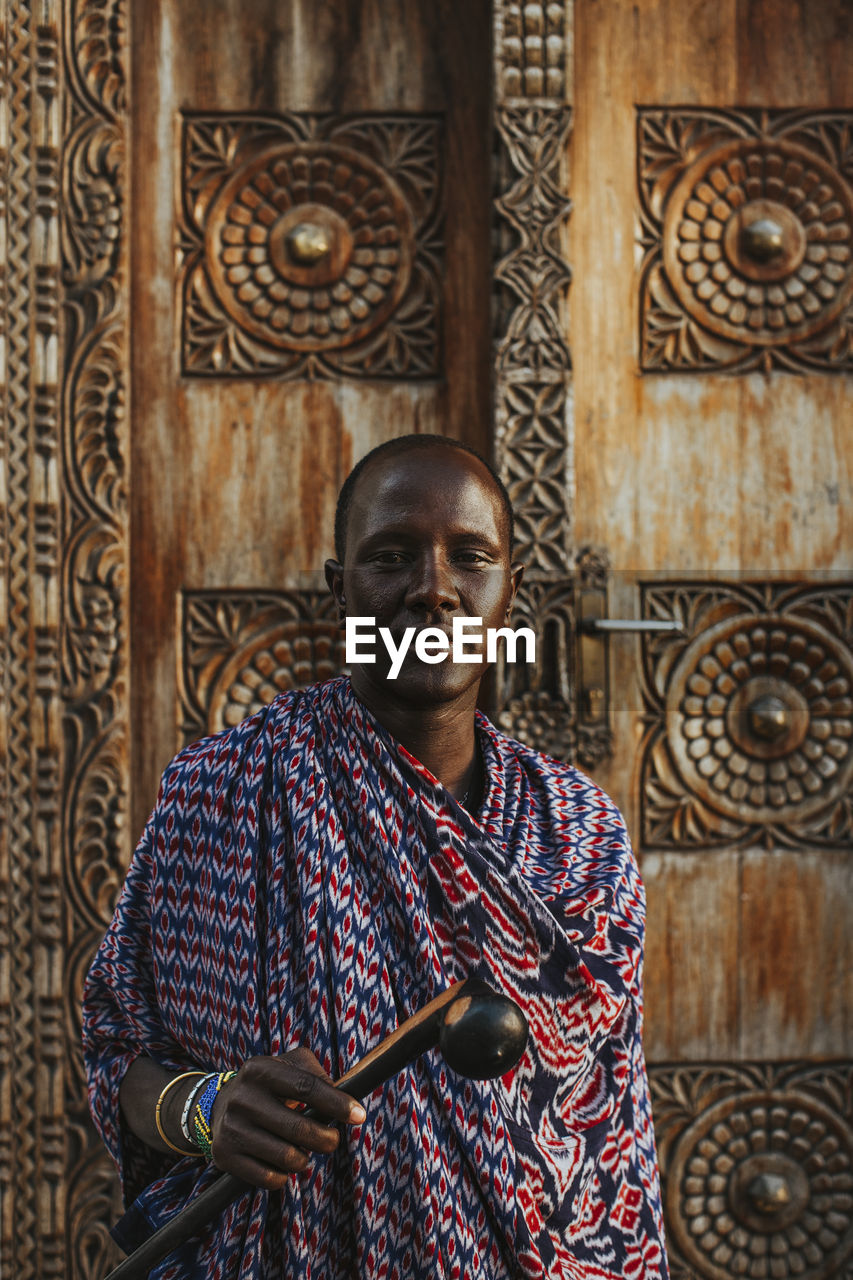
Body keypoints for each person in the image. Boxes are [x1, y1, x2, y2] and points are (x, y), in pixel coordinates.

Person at [83, 434, 668, 1279]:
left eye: (470, 558)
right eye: (390, 557)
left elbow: (605, 1128)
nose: (433, 589)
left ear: (510, 595)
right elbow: (120, 1050)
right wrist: (211, 1110)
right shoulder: (226, 791)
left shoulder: (577, 833)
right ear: (340, 589)